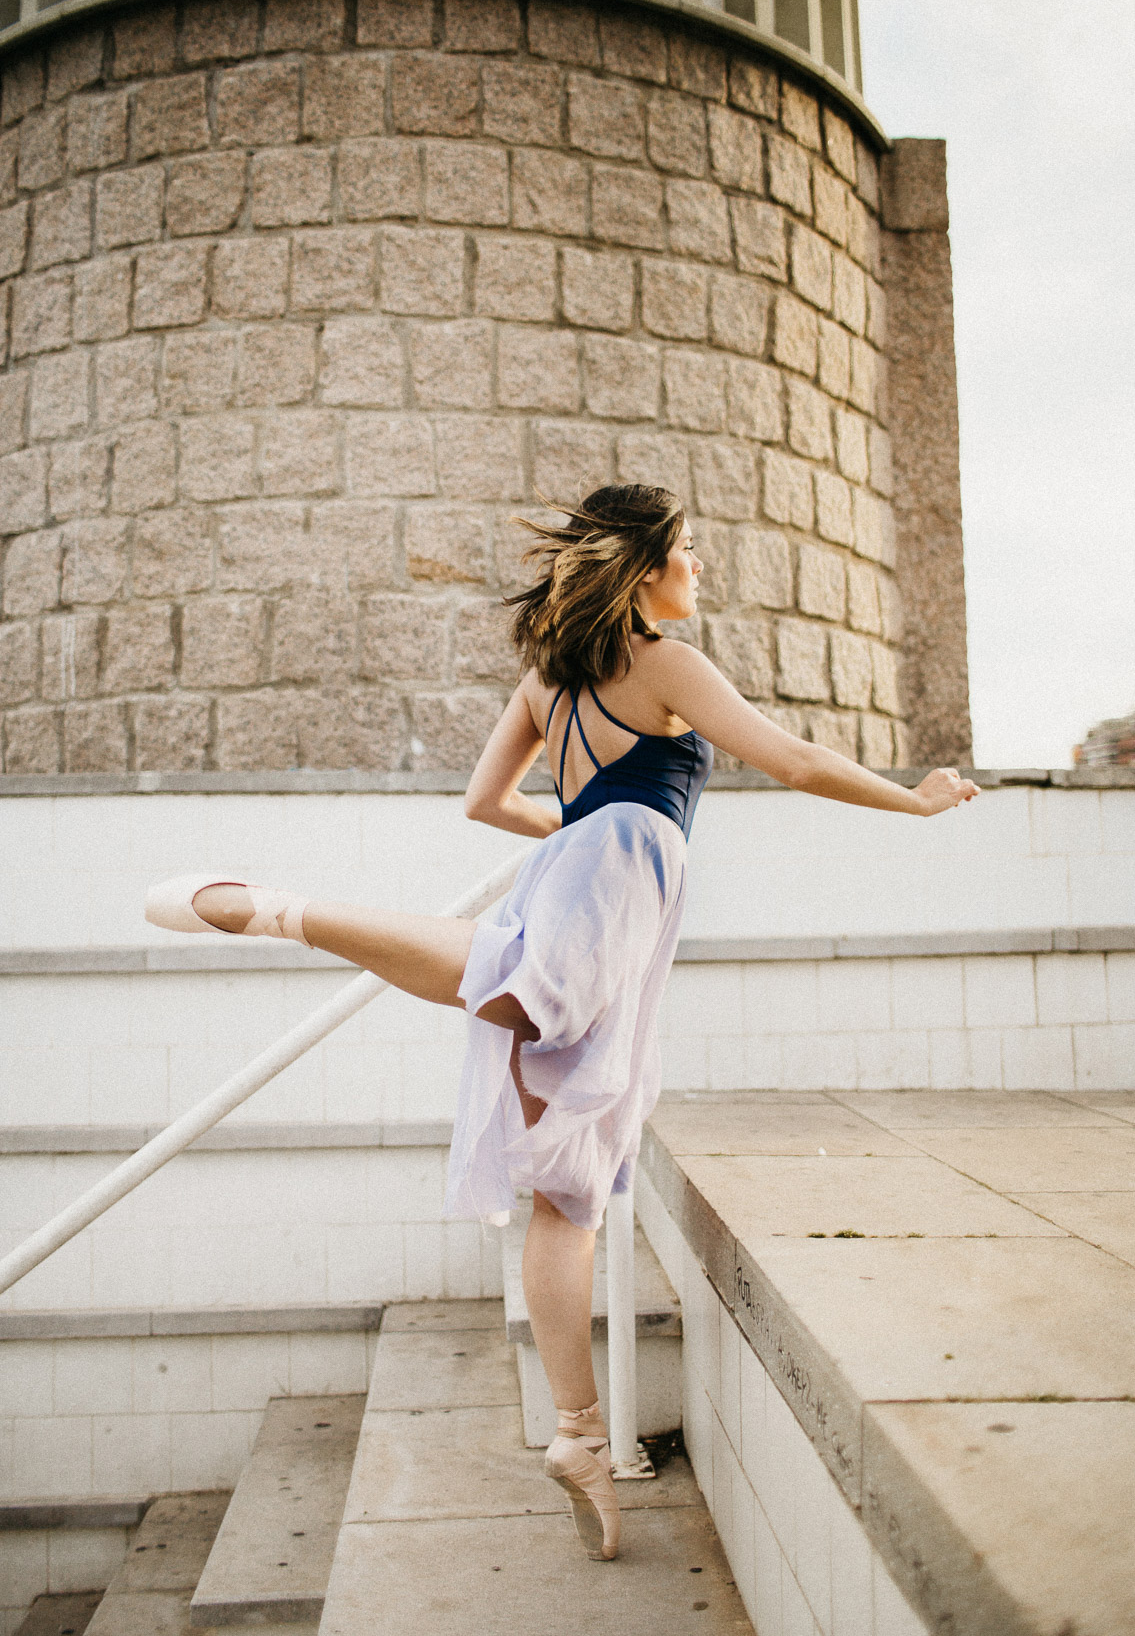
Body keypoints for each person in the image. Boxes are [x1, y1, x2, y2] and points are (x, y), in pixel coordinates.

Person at [145, 484, 979, 1564]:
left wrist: (579, 829)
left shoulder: (550, 677)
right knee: (511, 986)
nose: (701, 572)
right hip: (615, 875)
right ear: (643, 571)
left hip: (583, 867)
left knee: (568, 1183)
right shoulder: (666, 662)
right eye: (691, 554)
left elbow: (485, 802)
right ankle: (288, 910)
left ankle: (580, 1431)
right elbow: (794, 760)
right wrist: (913, 798)